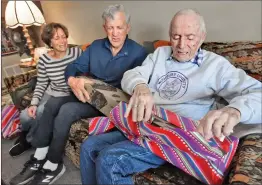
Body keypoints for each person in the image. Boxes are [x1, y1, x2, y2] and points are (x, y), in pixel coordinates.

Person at [80, 9, 262, 184]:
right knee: (89, 146)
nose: (181, 45)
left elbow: (257, 92)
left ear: (201, 37)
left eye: (190, 38)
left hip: (176, 135)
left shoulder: (216, 65)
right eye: (176, 37)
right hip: (146, 124)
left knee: (110, 160)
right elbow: (131, 75)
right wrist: (140, 86)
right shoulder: (160, 54)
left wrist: (234, 110)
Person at [10, 4, 147, 185]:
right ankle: (39, 156)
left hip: (108, 104)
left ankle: (53, 164)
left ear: (127, 28)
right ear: (104, 28)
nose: (115, 33)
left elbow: (140, 84)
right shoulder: (96, 46)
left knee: (66, 111)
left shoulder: (139, 53)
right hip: (87, 95)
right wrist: (72, 80)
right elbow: (73, 67)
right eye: (110, 27)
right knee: (52, 104)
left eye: (119, 27)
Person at [10, 23, 82, 185]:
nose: (63, 41)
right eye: (57, 38)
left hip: (68, 95)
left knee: (44, 112)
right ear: (49, 41)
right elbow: (42, 83)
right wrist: (34, 103)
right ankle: (26, 139)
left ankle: (36, 149)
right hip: (52, 92)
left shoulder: (77, 52)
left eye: (64, 36)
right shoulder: (44, 60)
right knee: (26, 115)